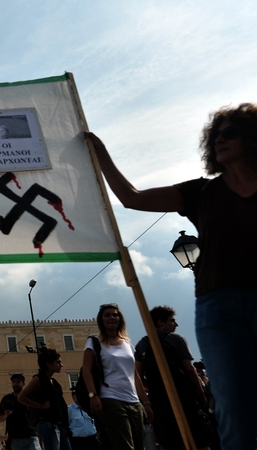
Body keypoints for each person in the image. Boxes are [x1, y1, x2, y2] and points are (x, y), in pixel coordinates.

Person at [86, 104, 257, 449]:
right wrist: (101, 153)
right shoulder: (202, 192)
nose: (220, 140)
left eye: (230, 133)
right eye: (216, 135)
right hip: (218, 306)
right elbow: (131, 198)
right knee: (233, 408)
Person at [134, 306, 211, 450]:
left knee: (170, 443)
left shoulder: (141, 345)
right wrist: (201, 394)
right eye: (172, 321)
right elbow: (189, 368)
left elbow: (137, 374)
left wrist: (150, 389)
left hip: (159, 402)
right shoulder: (176, 339)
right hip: (184, 398)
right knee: (199, 441)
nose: (176, 324)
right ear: (160, 322)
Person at [81, 304, 152, 450]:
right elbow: (86, 371)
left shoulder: (127, 344)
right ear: (101, 319)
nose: (112, 318)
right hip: (111, 399)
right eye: (107, 315)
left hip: (134, 401)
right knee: (125, 446)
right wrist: (93, 395)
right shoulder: (94, 342)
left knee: (140, 446)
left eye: (115, 315)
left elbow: (135, 375)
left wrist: (145, 403)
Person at [18, 348, 71, 450]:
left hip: (58, 424)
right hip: (46, 424)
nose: (61, 365)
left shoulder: (54, 383)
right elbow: (21, 397)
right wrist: (41, 406)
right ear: (49, 364)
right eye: (58, 362)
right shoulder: (38, 379)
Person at [0, 374, 40, 450]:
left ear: (23, 383)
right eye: (13, 382)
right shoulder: (7, 399)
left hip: (31, 435)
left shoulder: (30, 397)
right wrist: (5, 415)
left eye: (18, 382)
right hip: (15, 438)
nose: (15, 384)